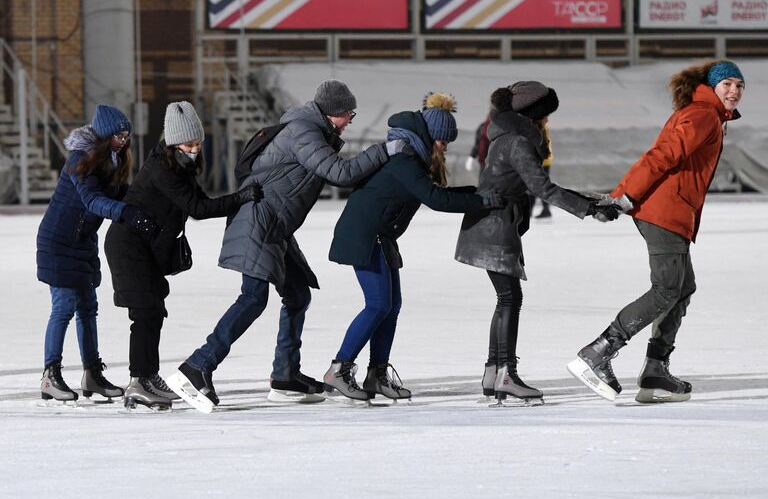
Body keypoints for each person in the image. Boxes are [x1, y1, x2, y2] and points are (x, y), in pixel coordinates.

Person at [167, 79, 397, 413]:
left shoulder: (314, 132)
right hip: (258, 223)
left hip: (275, 227)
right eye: (349, 114)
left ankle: (285, 375)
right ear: (333, 113)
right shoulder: (303, 132)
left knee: (298, 294)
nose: (350, 121)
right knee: (253, 298)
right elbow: (340, 173)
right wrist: (383, 150)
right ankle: (197, 367)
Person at [567, 59, 746, 403]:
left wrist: (623, 195)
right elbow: (661, 155)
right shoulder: (703, 114)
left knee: (682, 287)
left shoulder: (707, 115)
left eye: (740, 86)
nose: (734, 91)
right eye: (727, 84)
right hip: (664, 211)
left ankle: (655, 370)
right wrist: (625, 196)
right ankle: (597, 352)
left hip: (671, 211)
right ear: (712, 86)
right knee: (666, 289)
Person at [323, 92, 505, 402]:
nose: (445, 147)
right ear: (431, 136)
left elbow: (436, 192)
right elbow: (435, 199)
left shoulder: (412, 157)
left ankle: (376, 374)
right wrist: (483, 200)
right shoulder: (403, 158)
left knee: (391, 307)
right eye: (443, 141)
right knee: (378, 305)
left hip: (381, 235)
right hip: (366, 234)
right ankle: (338, 370)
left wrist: (476, 192)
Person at [454, 82, 620, 406]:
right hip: (494, 227)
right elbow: (543, 188)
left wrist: (593, 199)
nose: (548, 122)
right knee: (509, 299)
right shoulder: (517, 142)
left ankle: (493, 371)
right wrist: (588, 209)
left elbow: (539, 186)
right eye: (545, 116)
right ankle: (505, 374)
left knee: (506, 298)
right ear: (533, 115)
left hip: (493, 224)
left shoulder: (506, 138)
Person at [104, 101, 263, 411]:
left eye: (198, 142)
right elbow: (198, 209)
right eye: (190, 143)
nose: (195, 148)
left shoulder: (179, 165)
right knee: (145, 313)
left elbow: (199, 200)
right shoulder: (161, 168)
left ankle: (148, 377)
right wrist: (241, 198)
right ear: (174, 141)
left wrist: (235, 200)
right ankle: (139, 382)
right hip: (127, 246)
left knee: (153, 312)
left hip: (143, 247)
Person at [36, 105, 151, 403]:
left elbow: (117, 193)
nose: (123, 141)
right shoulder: (80, 159)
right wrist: (126, 212)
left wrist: (145, 198)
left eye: (126, 136)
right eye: (117, 135)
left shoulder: (112, 160)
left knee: (88, 307)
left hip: (82, 242)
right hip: (58, 242)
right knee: (63, 306)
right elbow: (92, 200)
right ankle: (50, 375)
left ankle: (91, 374)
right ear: (103, 134)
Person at [528, 126, 553, 219]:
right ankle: (542, 209)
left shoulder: (538, 126)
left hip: (541, 161)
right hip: (544, 161)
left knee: (534, 185)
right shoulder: (541, 126)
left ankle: (542, 209)